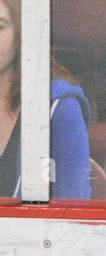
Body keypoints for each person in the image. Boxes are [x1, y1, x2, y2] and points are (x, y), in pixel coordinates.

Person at [0, 0, 91, 199]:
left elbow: (73, 210)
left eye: (0, 26)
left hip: (34, 230)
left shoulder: (60, 106)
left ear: (22, 33)